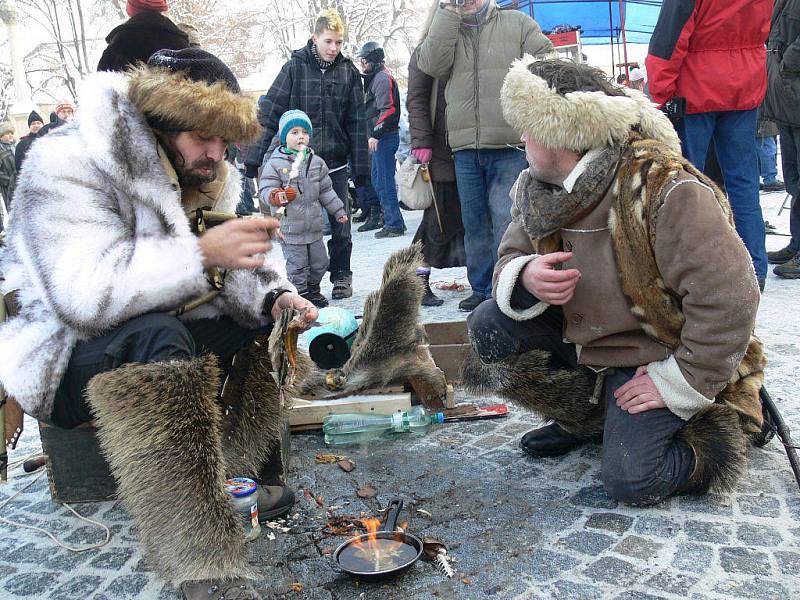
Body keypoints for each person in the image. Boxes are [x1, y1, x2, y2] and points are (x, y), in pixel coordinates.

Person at [0, 48, 318, 600]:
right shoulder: (66, 165)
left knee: (249, 326)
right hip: (59, 355)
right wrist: (199, 253)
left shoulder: (206, 170)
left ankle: (235, 478)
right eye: (203, 138)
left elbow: (235, 266)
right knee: (158, 339)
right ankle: (199, 559)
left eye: (225, 141)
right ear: (159, 125)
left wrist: (275, 296)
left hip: (142, 324)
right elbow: (85, 299)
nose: (217, 155)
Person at [465, 58, 765, 506]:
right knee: (489, 321)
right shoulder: (537, 186)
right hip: (585, 346)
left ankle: (716, 431)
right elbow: (509, 257)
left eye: (529, 127)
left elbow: (730, 299)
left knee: (633, 480)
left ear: (561, 133)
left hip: (655, 354)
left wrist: (678, 381)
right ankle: (588, 419)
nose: (522, 138)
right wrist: (525, 275)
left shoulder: (665, 188)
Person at [417, 0, 552, 312]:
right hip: (464, 147)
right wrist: (447, 15)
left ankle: (508, 285)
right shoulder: (448, 27)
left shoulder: (516, 23)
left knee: (507, 220)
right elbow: (431, 64)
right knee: (474, 223)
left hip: (508, 144)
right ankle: (480, 289)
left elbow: (547, 61)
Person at [645, 0, 771, 291]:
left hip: (696, 91)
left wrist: (662, 95)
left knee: (684, 186)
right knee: (744, 186)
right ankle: (754, 270)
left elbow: (669, 38)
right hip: (744, 85)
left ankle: (688, 269)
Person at [245, 8, 369, 300]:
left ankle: (341, 274)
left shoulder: (348, 72)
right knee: (299, 227)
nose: (333, 48)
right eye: (328, 41)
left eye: (338, 42)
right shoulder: (294, 68)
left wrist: (362, 168)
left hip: (334, 164)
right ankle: (303, 284)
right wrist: (254, 156)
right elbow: (270, 111)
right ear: (315, 37)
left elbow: (357, 122)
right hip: (296, 165)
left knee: (341, 223)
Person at [259, 109, 348, 308]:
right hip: (290, 228)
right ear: (284, 138)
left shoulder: (316, 163)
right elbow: (266, 189)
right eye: (294, 132)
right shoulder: (275, 164)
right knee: (297, 265)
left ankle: (313, 287)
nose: (301, 136)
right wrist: (277, 196)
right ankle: (303, 293)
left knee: (320, 263)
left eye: (304, 132)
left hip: (314, 227)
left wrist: (338, 210)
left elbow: (326, 190)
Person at [407, 41, 466, 306]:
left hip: (467, 148)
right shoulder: (427, 50)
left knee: (469, 220)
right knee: (436, 223)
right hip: (441, 151)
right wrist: (421, 142)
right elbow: (417, 98)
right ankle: (416, 280)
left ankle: (483, 279)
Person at [763, 0, 800, 279]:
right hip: (787, 101)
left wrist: (787, 63)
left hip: (794, 92)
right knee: (794, 180)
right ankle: (797, 243)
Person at [358, 41, 405, 238]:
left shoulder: (382, 78)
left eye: (364, 61)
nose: (362, 65)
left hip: (384, 137)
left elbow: (389, 109)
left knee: (384, 181)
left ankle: (394, 223)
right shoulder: (375, 78)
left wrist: (376, 133)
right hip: (378, 137)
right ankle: (390, 219)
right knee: (378, 180)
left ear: (373, 61)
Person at [97, 0, 190, 73]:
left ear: (132, 9)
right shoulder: (180, 42)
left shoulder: (121, 41)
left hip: (131, 97)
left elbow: (102, 83)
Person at [756, 115, 785, 193]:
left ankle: (754, 180)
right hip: (762, 120)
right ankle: (770, 180)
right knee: (767, 148)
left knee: (759, 149)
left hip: (758, 120)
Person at [0, 122, 16, 226]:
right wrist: (8, 181)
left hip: (19, 183)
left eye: (11, 133)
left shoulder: (15, 146)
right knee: (13, 211)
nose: (10, 135)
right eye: (7, 133)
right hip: (8, 187)